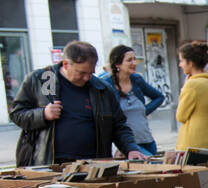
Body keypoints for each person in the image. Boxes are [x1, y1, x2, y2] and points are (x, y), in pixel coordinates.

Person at [11, 41, 145, 165]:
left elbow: (119, 124)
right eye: (81, 73)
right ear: (65, 64)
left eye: (91, 73)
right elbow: (17, 114)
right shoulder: (43, 79)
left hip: (93, 164)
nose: (86, 78)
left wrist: (131, 148)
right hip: (50, 163)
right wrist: (43, 114)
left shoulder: (102, 89)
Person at [99, 44, 165, 156]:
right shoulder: (106, 84)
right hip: (127, 145)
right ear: (117, 64)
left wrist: (144, 110)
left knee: (157, 171)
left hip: (147, 140)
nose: (134, 63)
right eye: (129, 60)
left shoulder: (137, 80)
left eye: (135, 59)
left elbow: (159, 97)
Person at [175, 40, 208, 152]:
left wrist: (184, 87)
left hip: (192, 145)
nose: (180, 65)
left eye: (181, 61)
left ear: (190, 63)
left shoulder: (192, 85)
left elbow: (180, 116)